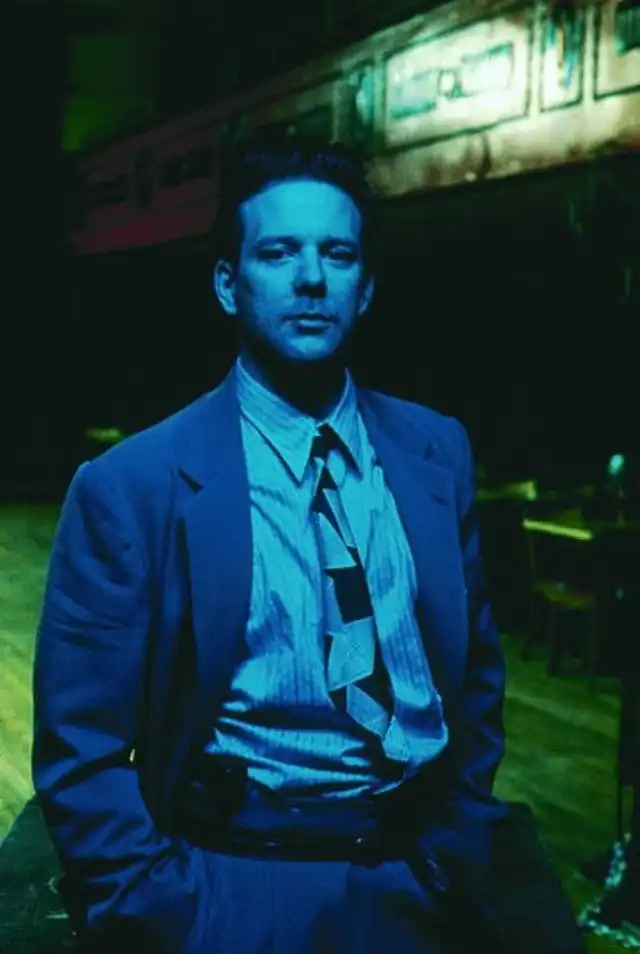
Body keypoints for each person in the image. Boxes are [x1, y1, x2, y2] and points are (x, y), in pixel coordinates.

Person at [32, 128, 509, 954]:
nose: (311, 278)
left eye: (338, 254)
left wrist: (453, 853)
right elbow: (81, 748)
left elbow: (476, 681)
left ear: (366, 288)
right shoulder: (134, 484)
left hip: (417, 880)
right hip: (233, 883)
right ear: (229, 284)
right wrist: (167, 912)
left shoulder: (436, 452)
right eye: (279, 252)